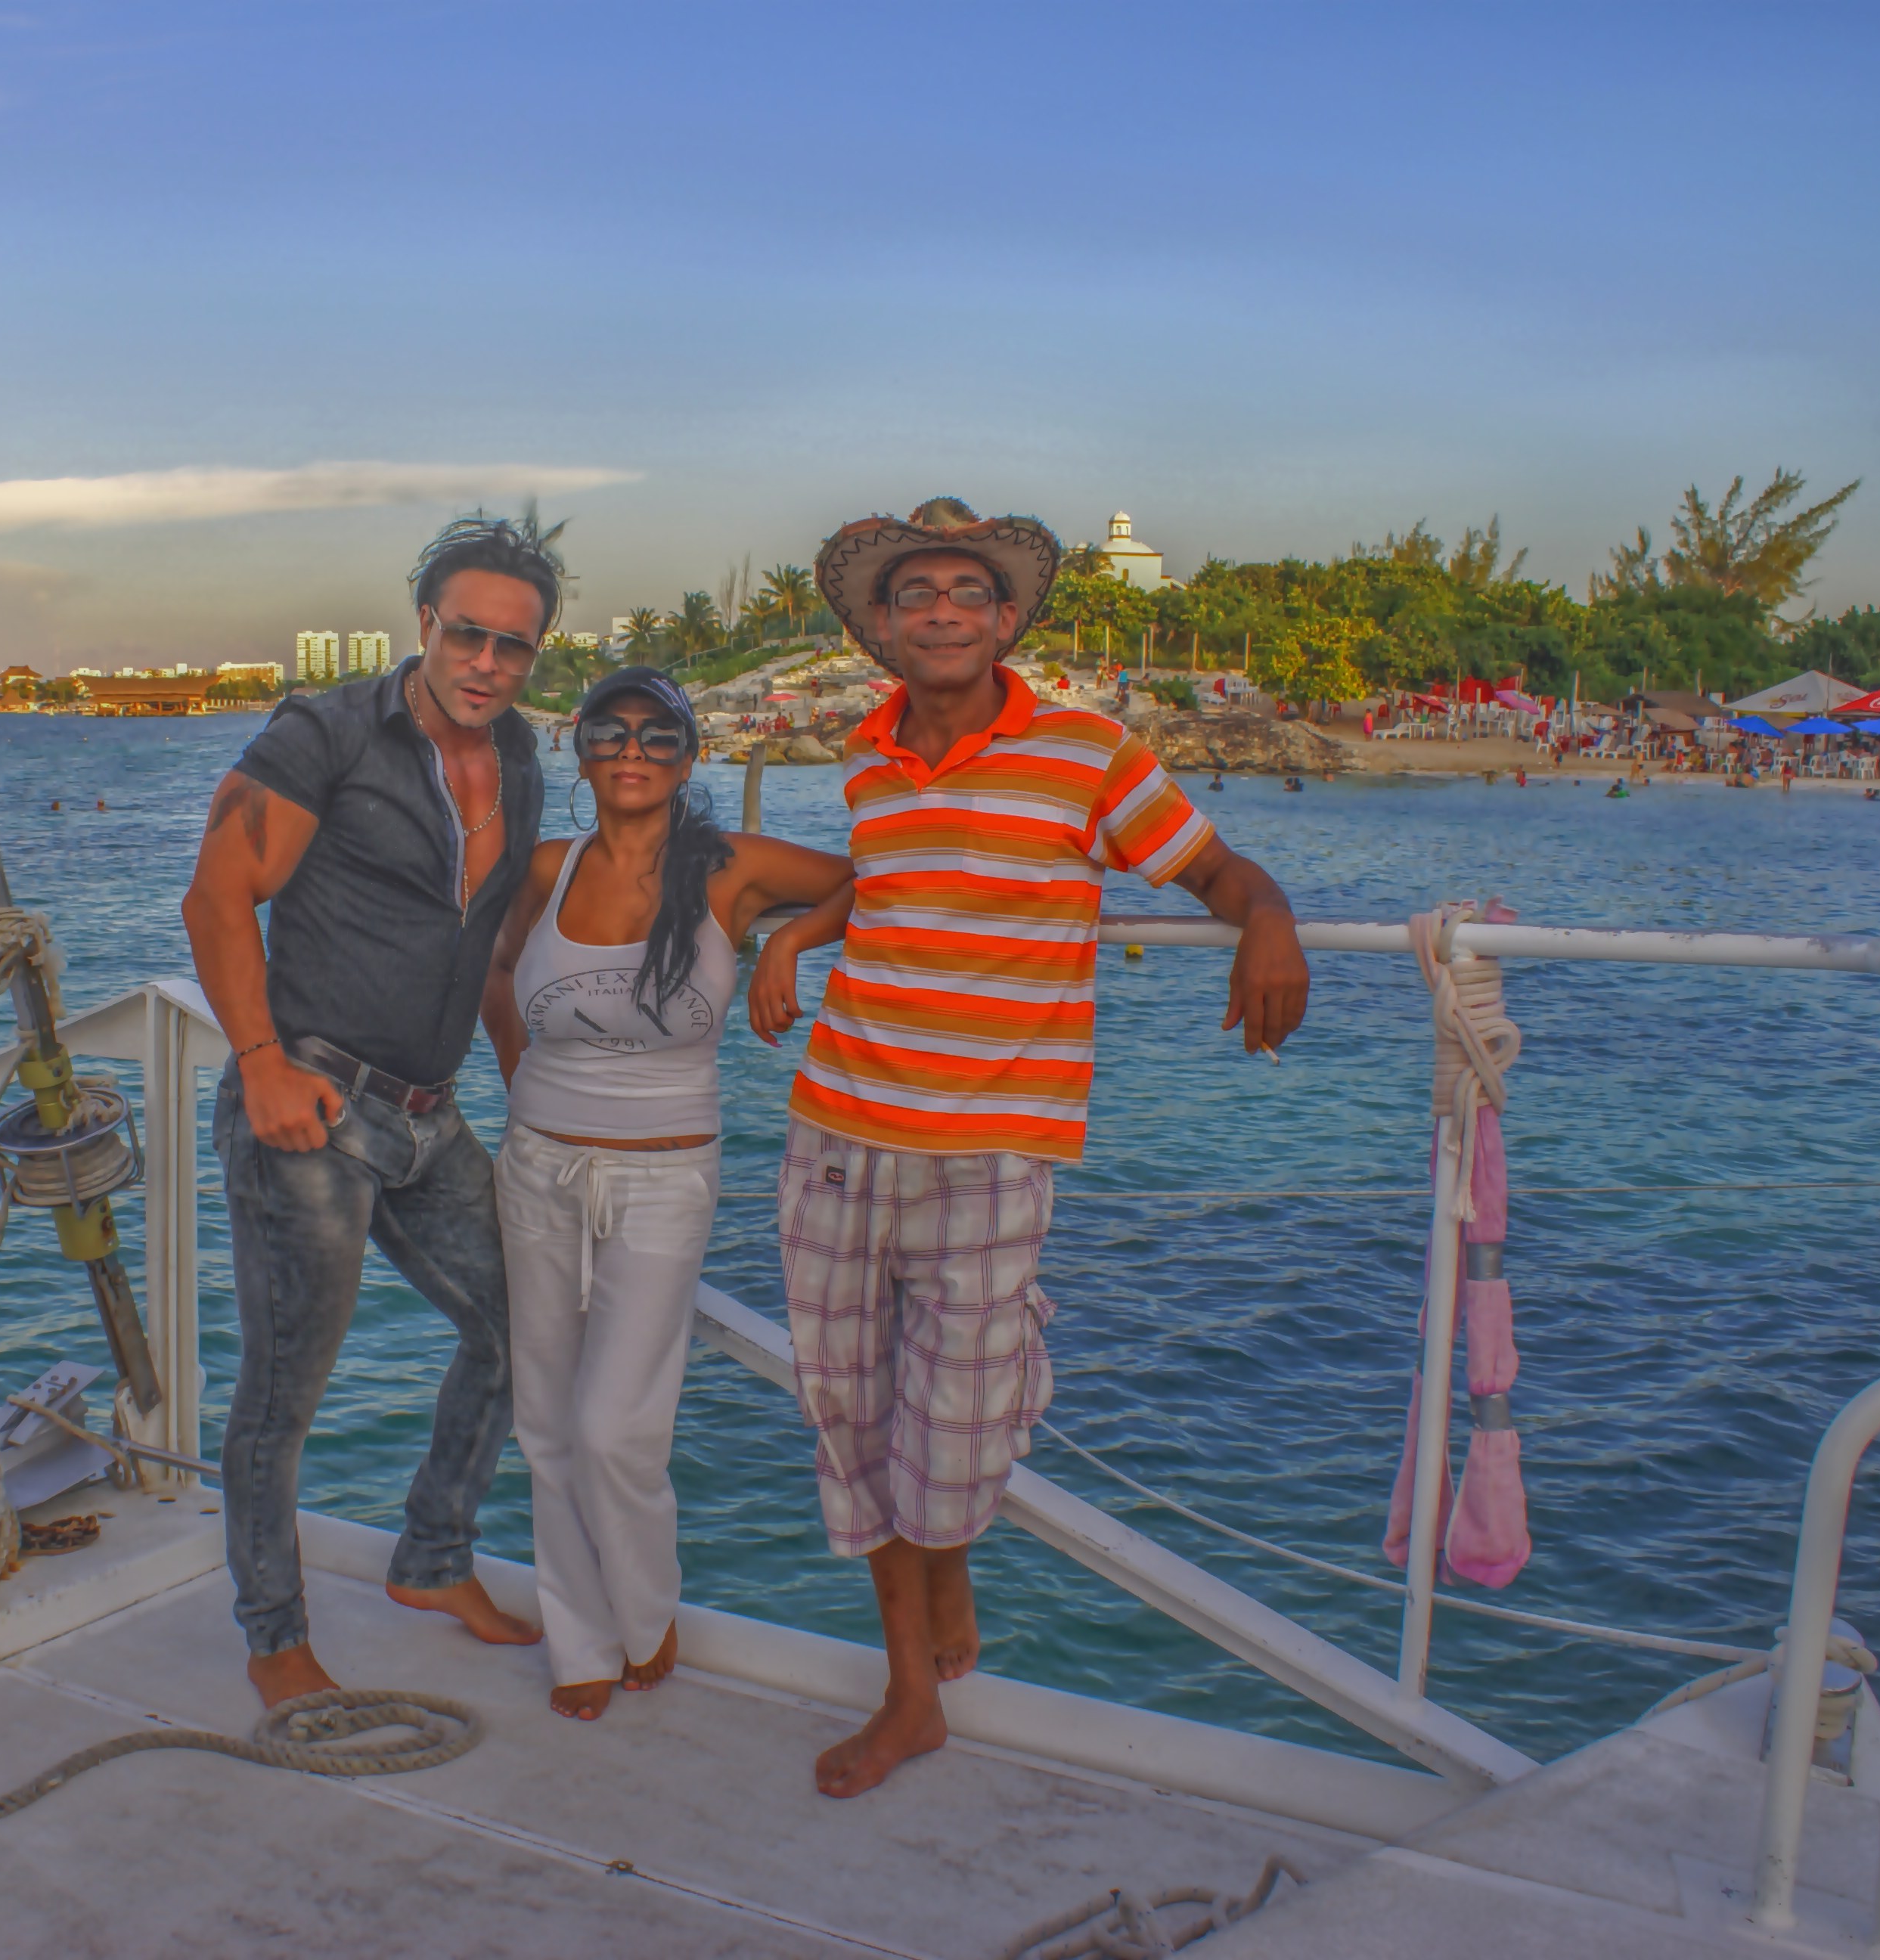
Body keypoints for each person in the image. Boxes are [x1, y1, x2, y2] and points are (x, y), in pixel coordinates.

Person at [755, 501, 1308, 1800]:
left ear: (1005, 621)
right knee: (849, 1413)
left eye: (968, 592)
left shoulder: (1087, 751)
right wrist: (799, 931)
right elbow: (889, 879)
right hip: (836, 1127)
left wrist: (1273, 922)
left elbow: (1213, 871)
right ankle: (909, 1694)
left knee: (952, 1424)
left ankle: (949, 1567)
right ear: (883, 627)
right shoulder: (867, 759)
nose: (943, 611)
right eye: (917, 594)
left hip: (994, 1148)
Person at [180, 515, 557, 1707]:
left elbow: (495, 949)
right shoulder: (330, 733)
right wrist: (261, 1067)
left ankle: (434, 1557)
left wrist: (532, 1094)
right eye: (468, 634)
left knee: (523, 1326)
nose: (486, 663)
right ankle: (274, 1636)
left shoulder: (523, 757)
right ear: (426, 623)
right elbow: (217, 897)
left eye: (513, 645)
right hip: (314, 1100)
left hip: (430, 1116)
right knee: (284, 1387)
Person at [481, 669, 848, 1721]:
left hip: (665, 1176)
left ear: (689, 758)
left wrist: (788, 941)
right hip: (538, 1166)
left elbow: (873, 878)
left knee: (613, 1426)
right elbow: (497, 975)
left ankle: (647, 1611)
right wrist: (522, 1087)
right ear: (582, 751)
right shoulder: (545, 867)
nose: (632, 749)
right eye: (610, 732)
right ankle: (580, 1641)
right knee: (546, 1421)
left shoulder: (731, 867)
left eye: (657, 735)